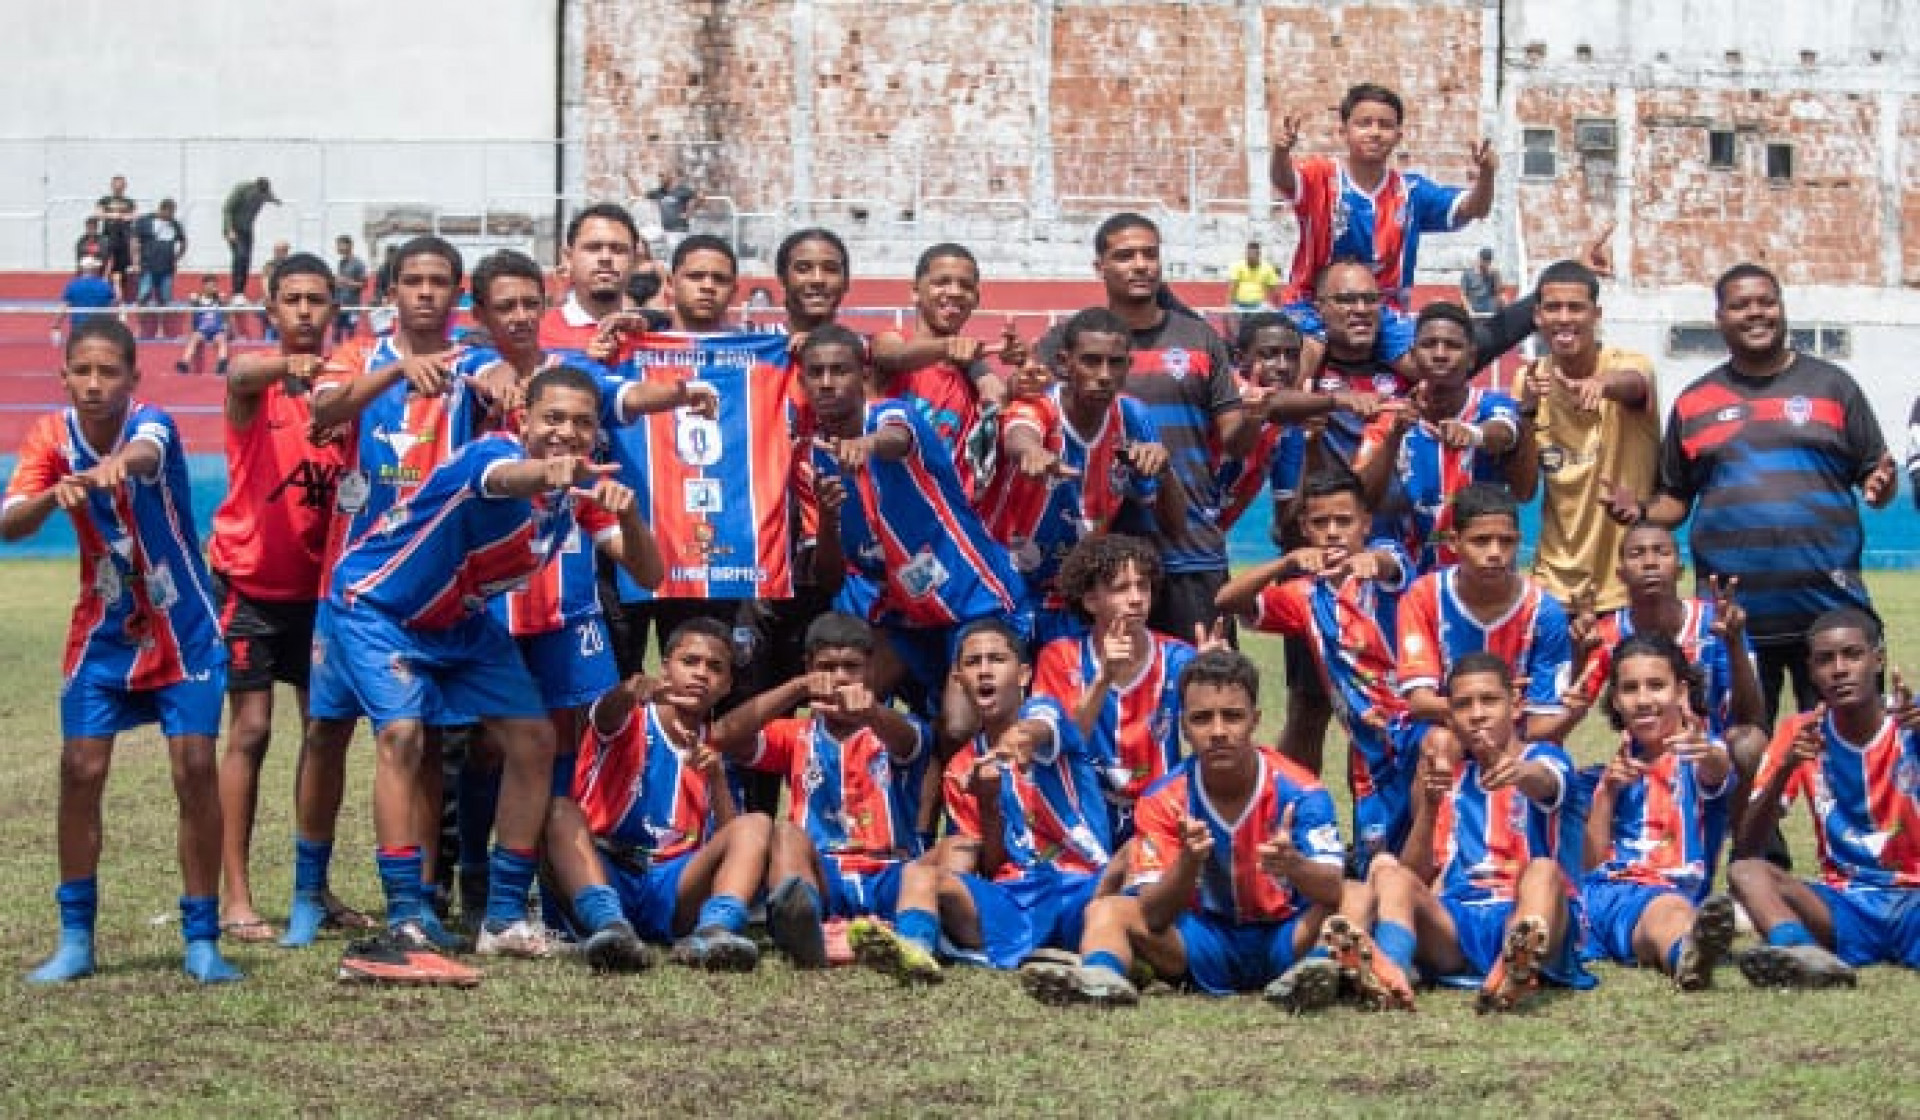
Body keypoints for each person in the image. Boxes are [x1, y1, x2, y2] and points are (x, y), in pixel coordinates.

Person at [316, 365, 622, 970]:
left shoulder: (571, 499)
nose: (566, 432)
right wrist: (554, 471)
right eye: (553, 418)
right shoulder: (486, 455)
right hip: (378, 606)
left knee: (534, 740)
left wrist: (620, 509)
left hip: (458, 620)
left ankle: (504, 917)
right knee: (402, 736)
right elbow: (506, 479)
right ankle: (405, 915)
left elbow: (651, 568)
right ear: (523, 419)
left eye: (582, 422)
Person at [2, 318, 240, 984]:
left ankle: (202, 938)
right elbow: (11, 522)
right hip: (103, 634)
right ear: (65, 376)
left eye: (109, 371)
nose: (95, 383)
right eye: (83, 370)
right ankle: (76, 938)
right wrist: (54, 495)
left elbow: (148, 452)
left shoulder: (153, 423)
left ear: (133, 378)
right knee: (80, 770)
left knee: (195, 767)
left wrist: (116, 464)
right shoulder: (49, 438)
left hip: (185, 628)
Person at [1020, 649, 1389, 1011]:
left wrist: (1294, 865)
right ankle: (1099, 980)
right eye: (1201, 718)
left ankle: (1319, 970)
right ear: (1183, 725)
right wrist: (1188, 864)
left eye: (1232, 716)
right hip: (1203, 941)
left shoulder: (1302, 790)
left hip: (1286, 937)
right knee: (1107, 910)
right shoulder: (1163, 799)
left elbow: (1330, 887)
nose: (1217, 732)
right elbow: (1153, 916)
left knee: (1357, 894)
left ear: (1255, 720)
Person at [1618, 264, 1897, 726]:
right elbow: (1675, 499)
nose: (1755, 313)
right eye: (1740, 305)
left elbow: (1875, 482)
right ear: (1720, 317)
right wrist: (1641, 512)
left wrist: (1880, 489)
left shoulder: (1833, 386)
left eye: (1766, 301)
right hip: (1733, 624)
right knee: (1742, 759)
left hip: (1830, 617)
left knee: (1846, 755)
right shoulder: (1694, 402)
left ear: (1781, 308)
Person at [205, 253, 357, 943]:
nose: (303, 311)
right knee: (252, 731)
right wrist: (285, 369)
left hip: (322, 591)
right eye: (291, 299)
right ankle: (233, 891)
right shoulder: (256, 385)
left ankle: (312, 887)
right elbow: (236, 375)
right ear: (270, 309)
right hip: (251, 584)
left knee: (324, 733)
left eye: (316, 300)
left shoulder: (345, 386)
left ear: (334, 309)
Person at [1034, 214, 1252, 641]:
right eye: (1125, 255)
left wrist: (1258, 417)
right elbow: (1029, 413)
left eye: (1150, 254)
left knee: (1205, 684)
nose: (1140, 265)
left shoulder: (1200, 338)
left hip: (1190, 548)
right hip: (1098, 555)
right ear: (1100, 267)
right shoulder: (1067, 342)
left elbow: (1234, 440)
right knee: (1097, 688)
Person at [803, 322, 1027, 709]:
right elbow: (830, 578)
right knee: (853, 704)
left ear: (865, 376)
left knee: (958, 723)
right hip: (908, 615)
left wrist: (866, 444)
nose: (826, 382)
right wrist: (827, 517)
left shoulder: (893, 415)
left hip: (974, 599)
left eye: (839, 371)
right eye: (815, 373)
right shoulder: (817, 457)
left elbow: (895, 440)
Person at [1215, 468, 1422, 869]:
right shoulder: (1303, 596)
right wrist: (1284, 565)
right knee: (1376, 864)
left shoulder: (1388, 561)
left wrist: (1369, 563)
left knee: (1428, 850)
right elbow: (1227, 600)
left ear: (1365, 523)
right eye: (1321, 523)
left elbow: (1388, 565)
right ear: (1306, 529)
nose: (1332, 533)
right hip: (1369, 757)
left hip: (1417, 735)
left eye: (1343, 521)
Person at [1367, 653, 1593, 1012]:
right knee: (1390, 874)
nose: (1477, 714)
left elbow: (1547, 781)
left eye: (1489, 700)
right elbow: (1417, 877)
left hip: (1535, 915)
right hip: (1460, 920)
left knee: (1543, 871)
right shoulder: (1449, 775)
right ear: (1450, 716)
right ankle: (1388, 973)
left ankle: (1514, 964)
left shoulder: (1547, 757)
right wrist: (1428, 807)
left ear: (1515, 704)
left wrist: (1517, 773)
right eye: (1463, 705)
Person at [708, 612, 930, 968]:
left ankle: (911, 947)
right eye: (827, 667)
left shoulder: (898, 728)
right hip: (822, 873)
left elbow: (907, 741)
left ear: (870, 670)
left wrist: (871, 712)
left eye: (851, 667)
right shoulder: (797, 735)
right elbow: (721, 736)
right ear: (809, 667)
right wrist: (797, 688)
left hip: (888, 870)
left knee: (925, 876)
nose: (839, 678)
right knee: (785, 834)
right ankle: (803, 931)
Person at [1728, 608, 1920, 987]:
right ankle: (1800, 954)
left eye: (1852, 654)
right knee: (1745, 872)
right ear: (1811, 671)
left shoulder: (1912, 722)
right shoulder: (1802, 732)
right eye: (1825, 660)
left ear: (1877, 659)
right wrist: (1785, 768)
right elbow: (1748, 845)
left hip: (1914, 899)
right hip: (1843, 906)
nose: (1839, 669)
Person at [572, 619, 775, 969]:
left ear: (726, 685)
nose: (701, 674)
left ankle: (715, 933)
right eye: (690, 662)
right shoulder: (629, 720)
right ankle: (610, 928)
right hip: (607, 867)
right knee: (560, 813)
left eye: (715, 668)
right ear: (665, 668)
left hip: (673, 884)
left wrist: (716, 779)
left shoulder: (714, 750)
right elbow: (604, 715)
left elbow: (732, 841)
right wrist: (627, 692)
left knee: (756, 824)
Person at [978, 307, 1178, 641]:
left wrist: (1165, 471)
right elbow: (1018, 435)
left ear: (1128, 366)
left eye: (1115, 363)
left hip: (1073, 598)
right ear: (1064, 363)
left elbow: (1174, 528)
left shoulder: (1132, 417)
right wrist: (1032, 452)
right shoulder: (1038, 406)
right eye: (1091, 361)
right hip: (1002, 586)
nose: (1104, 374)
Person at [1271, 82, 1496, 370]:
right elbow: (1284, 180)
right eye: (1364, 123)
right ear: (1344, 131)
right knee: (1301, 362)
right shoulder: (1321, 176)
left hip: (1383, 310)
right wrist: (1280, 153)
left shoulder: (1412, 191)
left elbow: (1473, 209)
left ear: (1398, 136)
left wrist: (1487, 174)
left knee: (1427, 370)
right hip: (1312, 302)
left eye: (1385, 125)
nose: (1375, 132)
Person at [1580, 634, 1738, 990]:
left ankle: (1689, 952)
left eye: (1656, 686)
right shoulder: (1610, 772)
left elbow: (1718, 768)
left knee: (1670, 912)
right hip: (1606, 894)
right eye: (1630, 689)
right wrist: (1606, 793)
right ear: (1616, 701)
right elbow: (1589, 864)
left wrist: (1708, 751)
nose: (1644, 700)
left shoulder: (1697, 755)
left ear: (1681, 692)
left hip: (1668, 894)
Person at [1513, 260, 1658, 614]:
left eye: (1576, 308)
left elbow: (1635, 385)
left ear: (1596, 314)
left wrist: (1600, 384)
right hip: (1554, 584)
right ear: (1537, 316)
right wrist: (1527, 413)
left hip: (1625, 585)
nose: (1564, 318)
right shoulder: (1528, 380)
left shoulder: (1630, 363)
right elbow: (1523, 489)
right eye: (1553, 308)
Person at [1034, 534, 1205, 831]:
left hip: (1160, 811)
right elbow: (1064, 741)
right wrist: (1103, 679)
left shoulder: (1179, 658)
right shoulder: (1061, 657)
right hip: (1085, 811)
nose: (1136, 598)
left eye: (1143, 585)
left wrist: (1216, 678)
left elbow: (1209, 737)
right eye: (1121, 588)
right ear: (1090, 600)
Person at [1356, 301, 1534, 575]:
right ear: (1414, 355)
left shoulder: (1491, 405)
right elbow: (1364, 500)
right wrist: (1393, 439)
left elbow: (1504, 432)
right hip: (1411, 583)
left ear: (1472, 356)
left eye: (1452, 345)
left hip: (1483, 582)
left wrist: (1474, 434)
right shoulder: (1391, 417)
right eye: (1430, 345)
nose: (1440, 354)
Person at [1396, 483, 1576, 743]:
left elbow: (1540, 722)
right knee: (1440, 745)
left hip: (1515, 740)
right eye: (1481, 541)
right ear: (1454, 541)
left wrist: (1576, 711)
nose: (1495, 553)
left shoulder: (1545, 612)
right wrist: (1495, 704)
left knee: (1546, 765)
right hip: (1445, 733)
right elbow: (1421, 703)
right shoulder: (1423, 598)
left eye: (1507, 541)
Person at [869, 242, 1018, 493]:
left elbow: (1000, 400)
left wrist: (1022, 369)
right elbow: (893, 355)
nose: (956, 291)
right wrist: (948, 347)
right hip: (886, 513)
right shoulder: (892, 339)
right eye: (942, 282)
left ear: (976, 299)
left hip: (947, 518)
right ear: (915, 292)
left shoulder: (972, 372)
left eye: (966, 286)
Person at [131, 199, 187, 330]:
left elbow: (183, 242)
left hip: (166, 269)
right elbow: (134, 241)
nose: (172, 216)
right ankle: (140, 327)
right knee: (143, 296)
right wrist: (135, 262)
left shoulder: (175, 224)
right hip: (148, 266)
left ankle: (161, 328)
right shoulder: (145, 221)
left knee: (164, 298)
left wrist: (177, 258)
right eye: (170, 212)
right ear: (163, 209)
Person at [667, 233, 739, 333]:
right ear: (671, 284)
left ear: (734, 290)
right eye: (695, 276)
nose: (708, 286)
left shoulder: (755, 347)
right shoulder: (643, 344)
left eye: (720, 279)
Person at [222, 176, 280, 298]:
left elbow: (272, 198)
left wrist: (277, 201)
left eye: (263, 194)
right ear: (255, 187)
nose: (260, 196)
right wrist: (229, 229)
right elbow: (227, 209)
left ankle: (241, 293)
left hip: (247, 230)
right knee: (240, 257)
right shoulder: (242, 189)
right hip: (234, 229)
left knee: (247, 260)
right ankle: (236, 292)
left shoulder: (265, 193)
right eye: (259, 193)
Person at [54, 257, 117, 347]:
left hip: (79, 329)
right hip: (100, 330)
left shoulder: (72, 286)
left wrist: (56, 324)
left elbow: (63, 308)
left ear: (82, 269)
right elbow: (113, 310)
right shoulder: (105, 286)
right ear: (97, 269)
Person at [176, 275, 229, 376]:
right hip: (202, 330)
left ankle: (222, 363)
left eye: (215, 285)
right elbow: (191, 304)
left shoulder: (219, 300)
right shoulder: (197, 299)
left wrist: (223, 300)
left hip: (216, 330)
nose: (214, 288)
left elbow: (226, 310)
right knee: (194, 338)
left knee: (222, 339)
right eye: (211, 285)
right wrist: (192, 300)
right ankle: (184, 363)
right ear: (204, 286)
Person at [95, 176, 138, 301]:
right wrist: (112, 215)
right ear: (112, 186)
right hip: (108, 236)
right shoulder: (104, 200)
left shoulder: (129, 202)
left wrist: (123, 217)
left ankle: (119, 296)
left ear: (125, 186)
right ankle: (103, 292)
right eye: (116, 185)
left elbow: (135, 215)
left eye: (121, 185)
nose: (118, 187)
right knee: (106, 264)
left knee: (120, 268)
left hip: (123, 237)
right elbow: (98, 214)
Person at [1225, 241, 1281, 317]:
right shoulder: (1237, 266)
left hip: (1259, 307)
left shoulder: (1268, 268)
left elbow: (1274, 290)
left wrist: (1278, 308)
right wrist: (1228, 306)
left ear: (1258, 255)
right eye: (1248, 255)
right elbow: (1232, 287)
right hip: (1239, 307)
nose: (1249, 258)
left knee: (1273, 315)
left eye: (1252, 255)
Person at [333, 235, 369, 344]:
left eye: (339, 245)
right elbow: (340, 282)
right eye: (337, 245)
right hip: (340, 305)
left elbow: (364, 285)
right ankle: (336, 357)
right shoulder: (341, 263)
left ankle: (349, 358)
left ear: (349, 245)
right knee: (336, 334)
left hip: (352, 306)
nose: (337, 248)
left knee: (350, 334)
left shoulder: (359, 263)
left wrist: (347, 282)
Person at [1460, 247, 1503, 316]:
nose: (1485, 263)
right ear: (1479, 258)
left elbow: (1498, 293)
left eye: (1488, 262)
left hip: (1489, 312)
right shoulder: (1468, 274)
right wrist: (1469, 311)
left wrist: (1496, 277)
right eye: (1483, 260)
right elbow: (1463, 295)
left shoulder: (1493, 274)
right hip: (1473, 312)